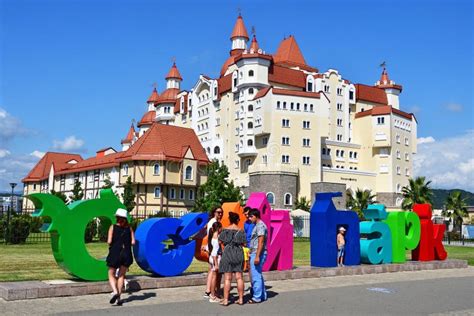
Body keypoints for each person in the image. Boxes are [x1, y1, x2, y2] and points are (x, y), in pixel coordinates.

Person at [106, 208, 135, 306]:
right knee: (121, 276)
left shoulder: (112, 227)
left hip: (115, 253)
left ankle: (115, 292)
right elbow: (133, 242)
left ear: (117, 217)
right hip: (126, 253)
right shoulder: (129, 228)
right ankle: (119, 299)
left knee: (111, 274)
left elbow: (109, 241)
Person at [218, 212, 246, 306]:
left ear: (230, 220)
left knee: (227, 278)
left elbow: (220, 241)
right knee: (239, 277)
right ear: (238, 220)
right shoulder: (241, 231)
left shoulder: (225, 230)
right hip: (238, 253)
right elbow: (244, 244)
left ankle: (226, 300)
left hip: (227, 253)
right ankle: (241, 299)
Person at [248, 208, 268, 304]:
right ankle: (262, 295)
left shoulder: (260, 226)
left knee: (255, 275)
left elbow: (261, 242)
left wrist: (257, 256)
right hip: (256, 252)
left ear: (256, 216)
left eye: (251, 217)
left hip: (257, 253)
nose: (249, 219)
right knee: (258, 274)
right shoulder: (258, 225)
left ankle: (256, 297)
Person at [203, 207, 223, 299]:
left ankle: (209, 291)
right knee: (214, 272)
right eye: (218, 212)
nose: (220, 214)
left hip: (211, 249)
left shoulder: (212, 222)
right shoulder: (213, 223)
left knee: (211, 270)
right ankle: (211, 293)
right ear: (214, 212)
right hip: (213, 251)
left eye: (221, 212)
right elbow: (211, 236)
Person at [208, 221, 223, 303]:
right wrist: (216, 264)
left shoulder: (213, 236)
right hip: (215, 259)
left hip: (214, 258)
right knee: (214, 277)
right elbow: (214, 253)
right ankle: (213, 295)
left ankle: (215, 294)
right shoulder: (216, 237)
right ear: (219, 228)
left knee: (216, 277)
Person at [243, 207, 255, 292]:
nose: (247, 216)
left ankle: (255, 286)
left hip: (254, 247)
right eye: (245, 214)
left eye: (248, 214)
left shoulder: (255, 223)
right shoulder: (246, 223)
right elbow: (245, 234)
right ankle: (252, 285)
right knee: (249, 267)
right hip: (247, 247)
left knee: (253, 267)